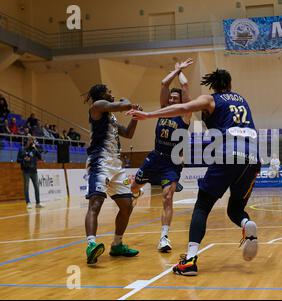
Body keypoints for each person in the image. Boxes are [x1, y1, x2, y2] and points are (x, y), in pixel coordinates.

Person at [128, 69, 261, 276]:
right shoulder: (242, 100)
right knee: (235, 209)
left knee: (202, 207)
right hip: (253, 158)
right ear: (230, 83)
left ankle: (189, 261)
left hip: (228, 153)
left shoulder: (211, 99)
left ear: (213, 85)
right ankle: (246, 223)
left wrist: (149, 115)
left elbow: (182, 106)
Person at [130, 58, 193, 253]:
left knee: (167, 197)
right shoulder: (163, 111)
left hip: (172, 161)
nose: (172, 100)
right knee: (132, 189)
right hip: (155, 157)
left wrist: (181, 71)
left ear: (181, 102)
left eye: (176, 99)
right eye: (171, 98)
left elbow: (185, 85)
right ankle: (137, 190)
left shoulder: (185, 114)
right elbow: (164, 84)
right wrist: (175, 71)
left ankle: (164, 237)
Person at [83, 84, 142, 265]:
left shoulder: (112, 116)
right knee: (96, 203)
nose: (112, 93)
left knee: (127, 205)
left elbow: (128, 134)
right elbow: (125, 104)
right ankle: (91, 245)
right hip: (100, 162)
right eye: (109, 91)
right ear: (101, 94)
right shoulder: (98, 106)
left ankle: (117, 245)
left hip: (116, 165)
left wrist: (135, 117)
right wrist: (128, 103)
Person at [17, 135, 44, 209]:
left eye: (32, 140)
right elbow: (18, 160)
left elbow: (40, 157)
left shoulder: (34, 149)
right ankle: (28, 202)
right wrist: (24, 160)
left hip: (34, 171)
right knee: (26, 187)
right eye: (30, 140)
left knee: (37, 187)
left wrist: (35, 148)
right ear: (27, 141)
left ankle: (38, 203)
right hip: (26, 171)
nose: (31, 142)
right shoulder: (22, 149)